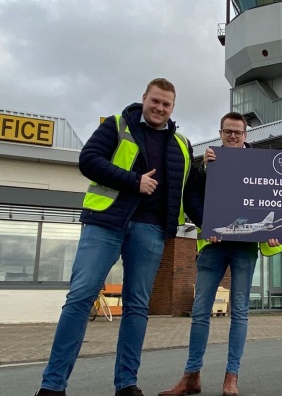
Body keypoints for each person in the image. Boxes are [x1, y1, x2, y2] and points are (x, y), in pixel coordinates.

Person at [35, 78, 203, 396]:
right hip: (106, 223)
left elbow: (189, 194)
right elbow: (89, 160)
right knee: (80, 297)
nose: (160, 108)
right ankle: (52, 386)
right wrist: (133, 181)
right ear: (144, 98)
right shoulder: (117, 125)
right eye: (155, 101)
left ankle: (127, 384)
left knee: (138, 306)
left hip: (151, 230)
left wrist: (214, 221)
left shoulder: (182, 144)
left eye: (166, 104)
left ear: (173, 107)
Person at [158, 112, 282, 396]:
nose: (233, 136)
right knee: (200, 311)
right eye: (228, 131)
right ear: (221, 132)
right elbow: (190, 196)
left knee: (239, 312)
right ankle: (191, 376)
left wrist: (273, 229)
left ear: (246, 135)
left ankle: (231, 378)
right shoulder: (207, 162)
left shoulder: (261, 164)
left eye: (238, 132)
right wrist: (207, 223)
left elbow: (275, 197)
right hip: (213, 244)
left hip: (246, 247)